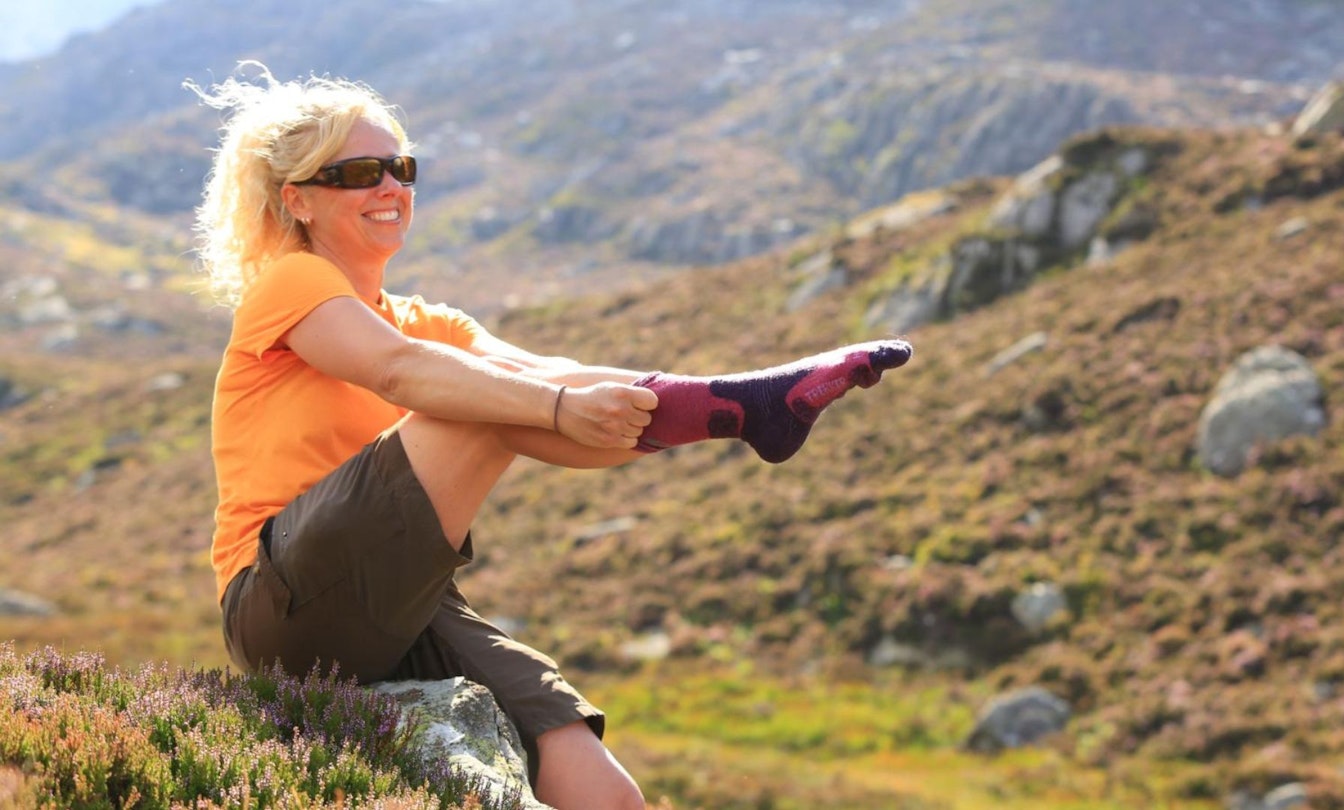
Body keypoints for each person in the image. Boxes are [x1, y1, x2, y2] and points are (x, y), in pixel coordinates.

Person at [192, 64, 911, 810]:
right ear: (297, 200)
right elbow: (402, 372)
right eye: (359, 172)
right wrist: (558, 408)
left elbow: (551, 374)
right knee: (476, 398)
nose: (391, 187)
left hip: (407, 599)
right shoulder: (292, 283)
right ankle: (739, 406)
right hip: (279, 604)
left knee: (591, 768)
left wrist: (736, 396)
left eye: (402, 168)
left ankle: (744, 410)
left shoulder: (430, 322)